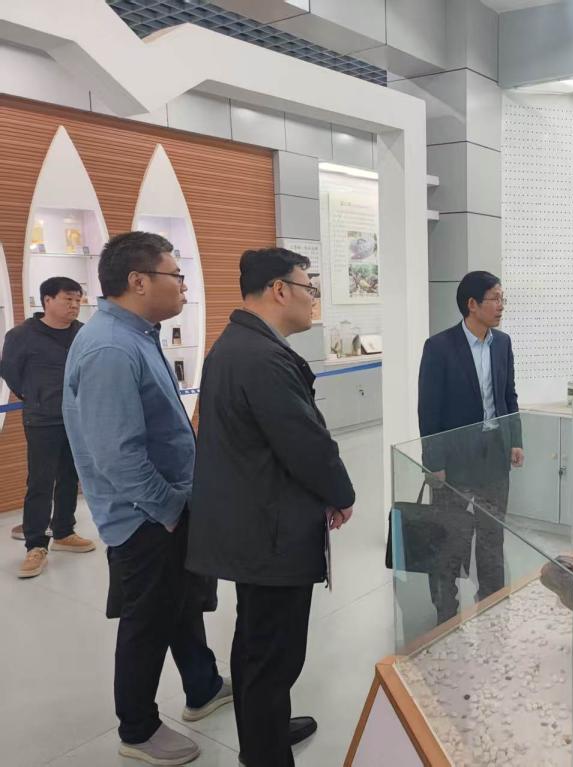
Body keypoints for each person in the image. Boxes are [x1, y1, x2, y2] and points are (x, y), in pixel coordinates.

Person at [62, 232, 229, 766]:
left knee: (181, 605)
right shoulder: (111, 347)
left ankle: (202, 685)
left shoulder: (136, 335)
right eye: (175, 275)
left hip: (165, 508)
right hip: (145, 517)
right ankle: (137, 729)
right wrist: (170, 509)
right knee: (148, 621)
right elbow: (117, 455)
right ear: (138, 281)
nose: (184, 286)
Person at [187, 248, 356, 767]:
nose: (312, 300)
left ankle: (267, 731)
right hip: (269, 530)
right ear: (280, 290)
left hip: (255, 520)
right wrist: (341, 493)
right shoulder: (260, 356)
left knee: (258, 640)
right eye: (309, 289)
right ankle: (265, 753)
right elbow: (304, 442)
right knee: (271, 651)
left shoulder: (240, 345)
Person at [417, 271, 524, 624]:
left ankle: (492, 605)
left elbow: (508, 395)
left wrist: (515, 440)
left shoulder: (502, 343)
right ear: (472, 304)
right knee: (449, 538)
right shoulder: (439, 347)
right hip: (454, 461)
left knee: (492, 536)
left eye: (502, 298)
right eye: (495, 299)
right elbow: (428, 409)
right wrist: (434, 462)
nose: (501, 305)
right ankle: (446, 614)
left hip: (494, 454)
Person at [0, 276, 95, 577]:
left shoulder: (83, 332)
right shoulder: (22, 335)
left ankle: (64, 531)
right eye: (68, 299)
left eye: (78, 299)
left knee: (70, 476)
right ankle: (35, 545)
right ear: (47, 300)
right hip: (42, 419)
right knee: (41, 481)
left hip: (77, 417)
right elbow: (11, 372)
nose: (75, 305)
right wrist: (35, 396)